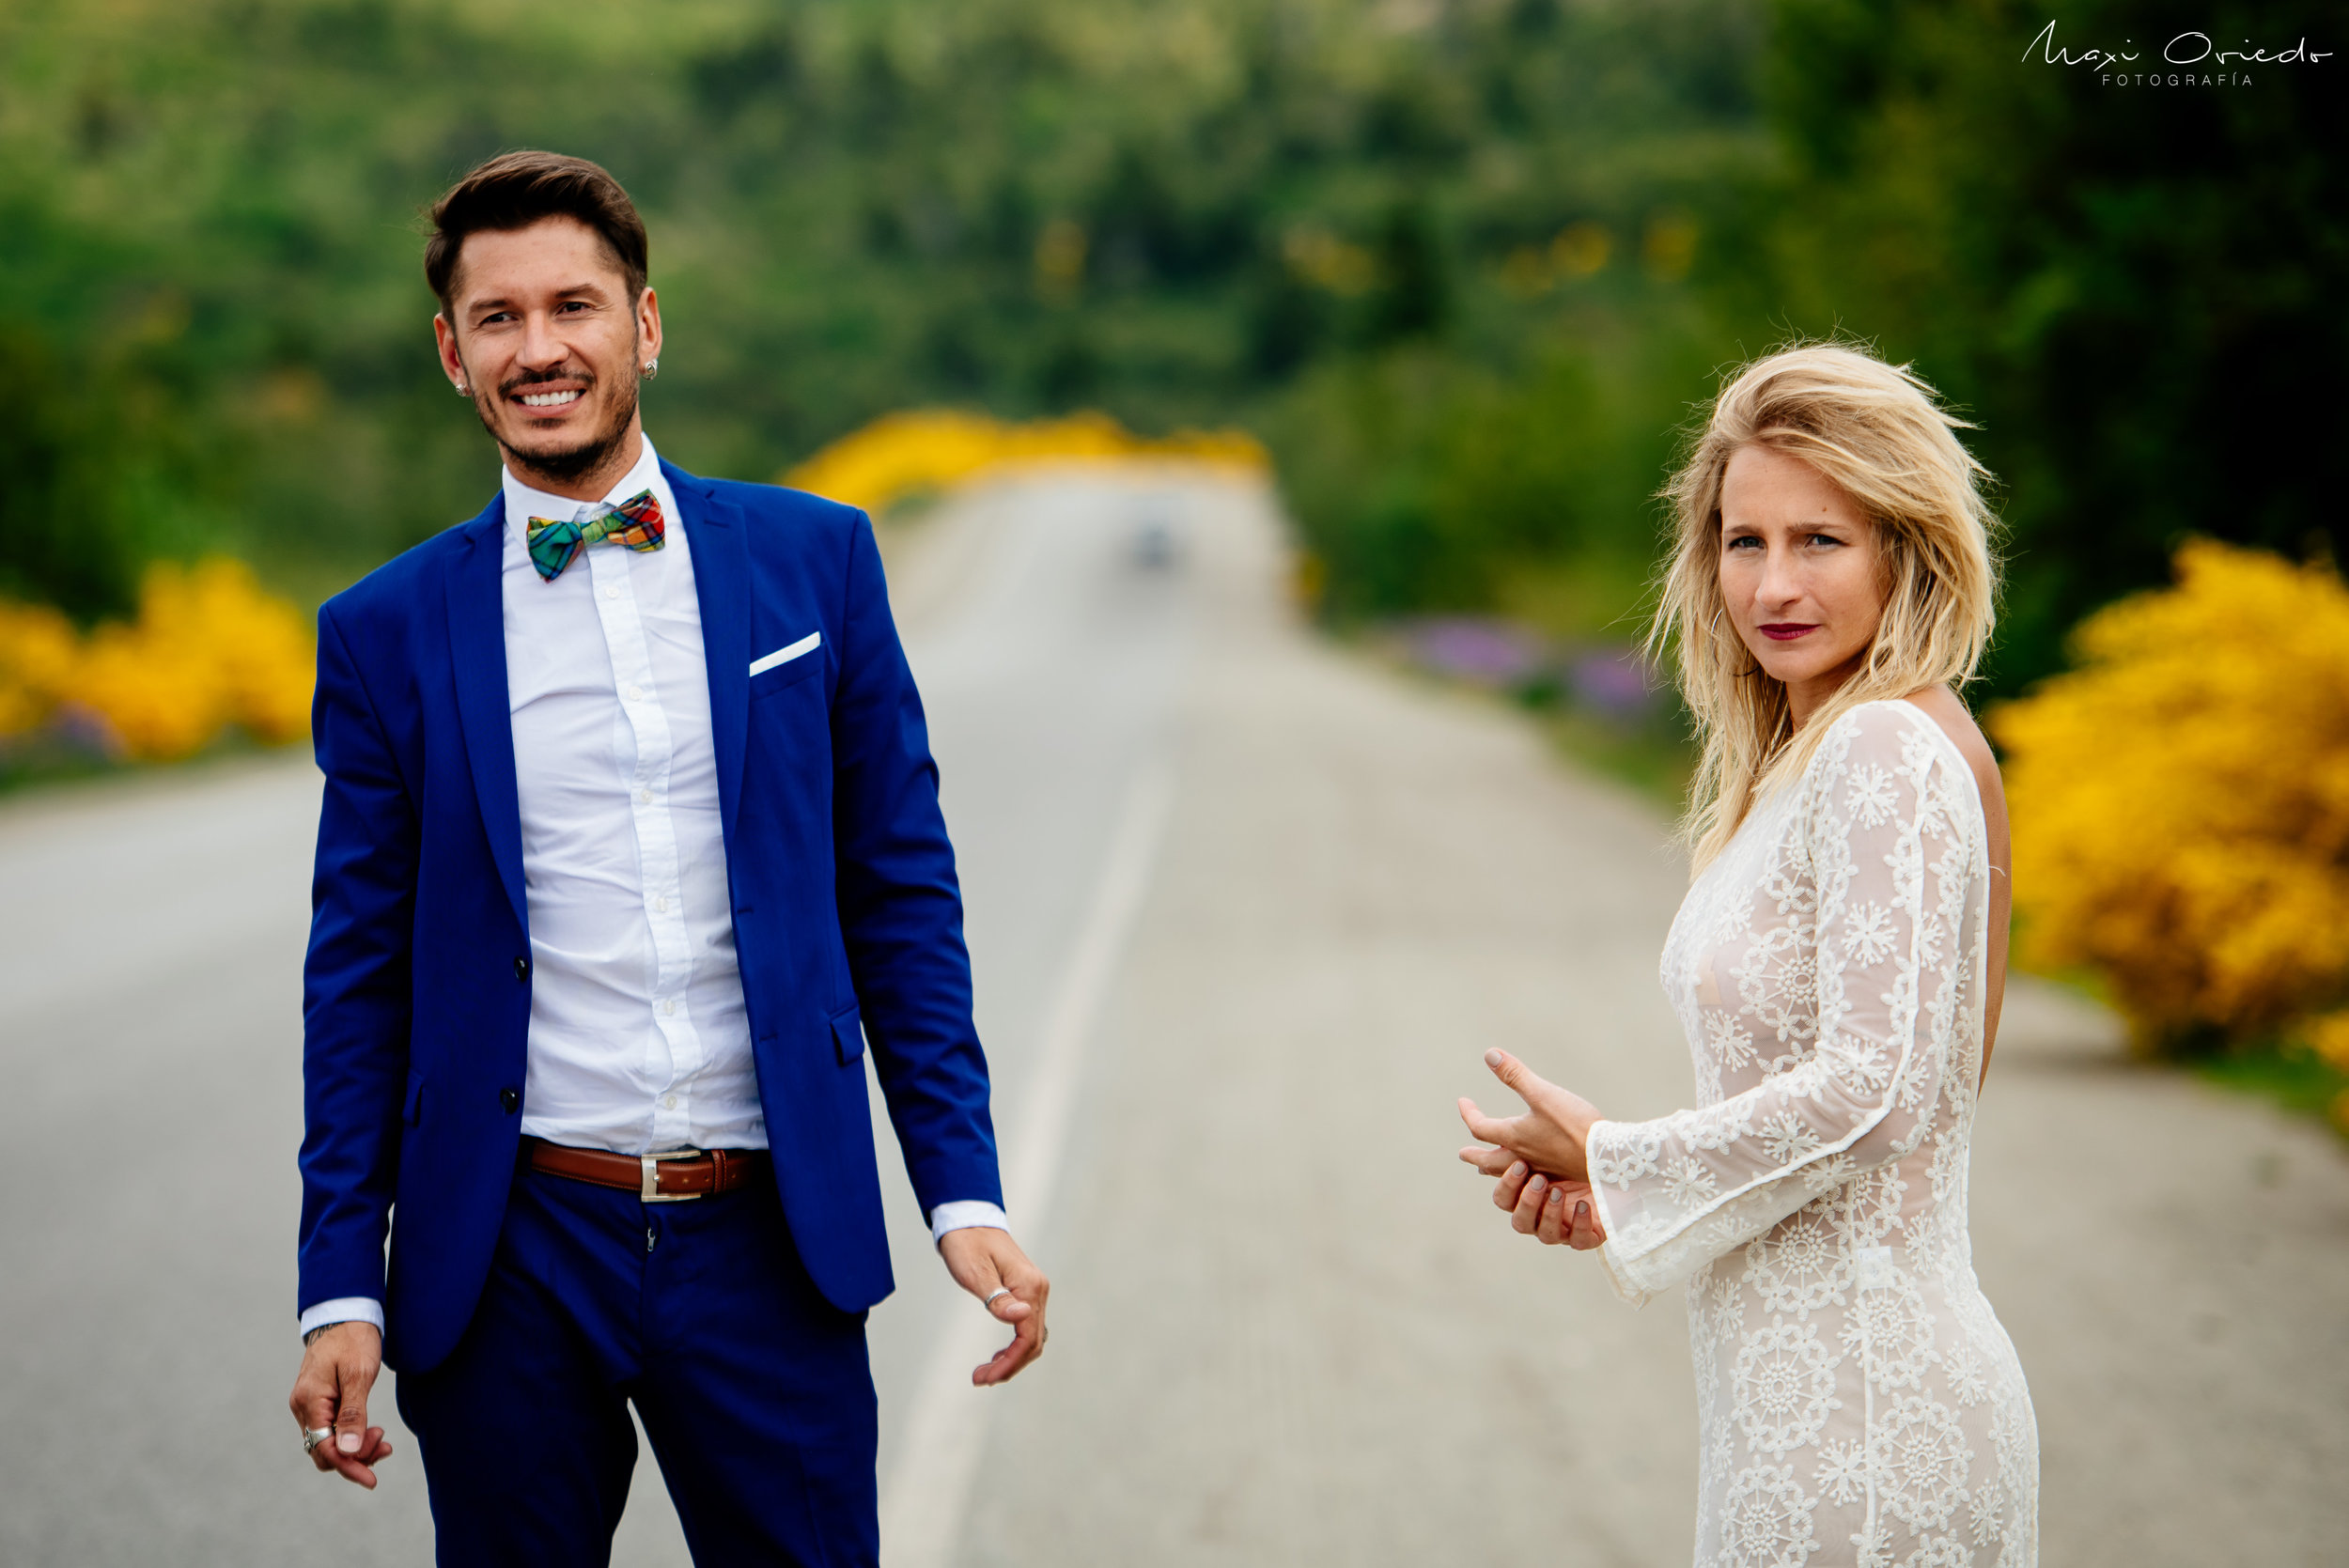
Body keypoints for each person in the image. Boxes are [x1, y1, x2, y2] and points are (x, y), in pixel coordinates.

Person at [285, 150, 1048, 1566]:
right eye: (498, 318)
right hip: (509, 1251)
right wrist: (342, 1282)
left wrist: (964, 1187)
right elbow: (359, 981)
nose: (540, 348)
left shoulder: (815, 561)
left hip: (770, 1239)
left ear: (645, 324)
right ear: (453, 355)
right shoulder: (384, 630)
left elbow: (898, 897)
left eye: (573, 305)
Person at [1456, 343, 2038, 1566]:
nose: (1773, 582)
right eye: (1744, 540)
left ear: (1906, 546)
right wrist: (1627, 1199)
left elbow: (1876, 1095)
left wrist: (1619, 1159)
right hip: (1803, 1411)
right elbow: (1851, 1111)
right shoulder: (1826, 751)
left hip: (1869, 1427)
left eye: (1821, 539)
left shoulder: (1883, 748)